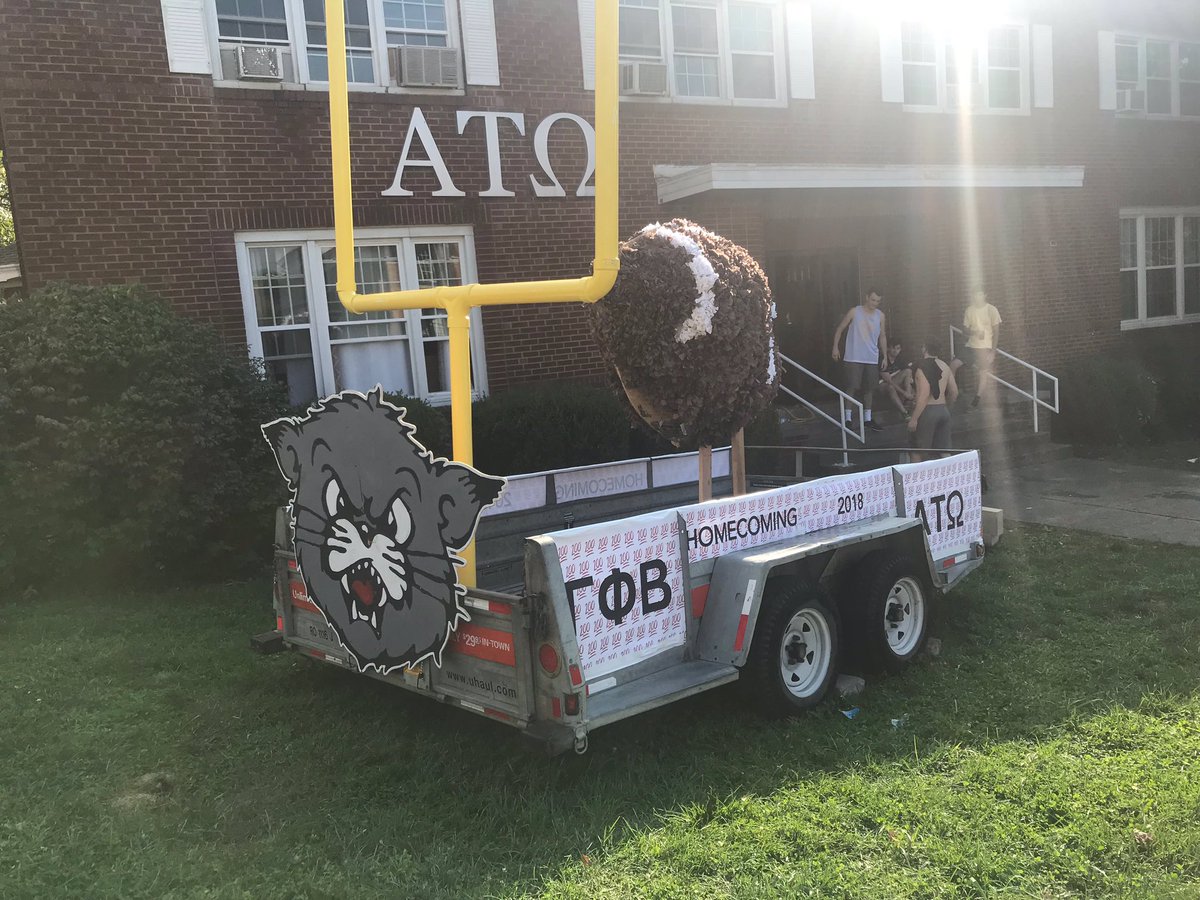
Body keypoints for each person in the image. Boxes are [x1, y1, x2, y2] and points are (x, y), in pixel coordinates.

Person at [831, 289, 888, 432]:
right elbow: (840, 328)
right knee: (851, 386)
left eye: (877, 301)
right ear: (867, 297)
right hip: (853, 355)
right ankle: (848, 418)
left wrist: (885, 355)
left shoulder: (880, 316)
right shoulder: (854, 312)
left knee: (869, 388)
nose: (874, 303)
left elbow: (882, 336)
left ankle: (867, 418)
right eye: (873, 300)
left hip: (871, 357)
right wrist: (835, 347)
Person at [907, 336, 958, 462]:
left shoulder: (921, 367)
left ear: (924, 348)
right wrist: (947, 406)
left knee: (917, 450)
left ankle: (917, 480)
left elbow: (924, 394)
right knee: (945, 452)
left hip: (927, 412)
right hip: (943, 410)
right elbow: (954, 392)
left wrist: (914, 418)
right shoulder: (945, 366)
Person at [951, 289, 1002, 409]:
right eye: (975, 294)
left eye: (979, 294)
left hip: (985, 347)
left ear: (985, 295)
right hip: (971, 346)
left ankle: (977, 397)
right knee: (953, 365)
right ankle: (953, 392)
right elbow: (964, 330)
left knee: (983, 372)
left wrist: (993, 352)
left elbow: (996, 332)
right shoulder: (970, 310)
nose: (977, 297)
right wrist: (974, 332)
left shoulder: (992, 310)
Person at [875, 339, 914, 420]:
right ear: (888, 348)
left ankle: (908, 397)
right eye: (893, 348)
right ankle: (904, 413)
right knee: (890, 387)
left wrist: (908, 390)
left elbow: (908, 373)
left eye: (898, 348)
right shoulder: (882, 360)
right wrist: (904, 393)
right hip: (880, 385)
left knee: (908, 371)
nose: (896, 351)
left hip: (894, 383)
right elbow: (889, 381)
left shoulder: (900, 359)